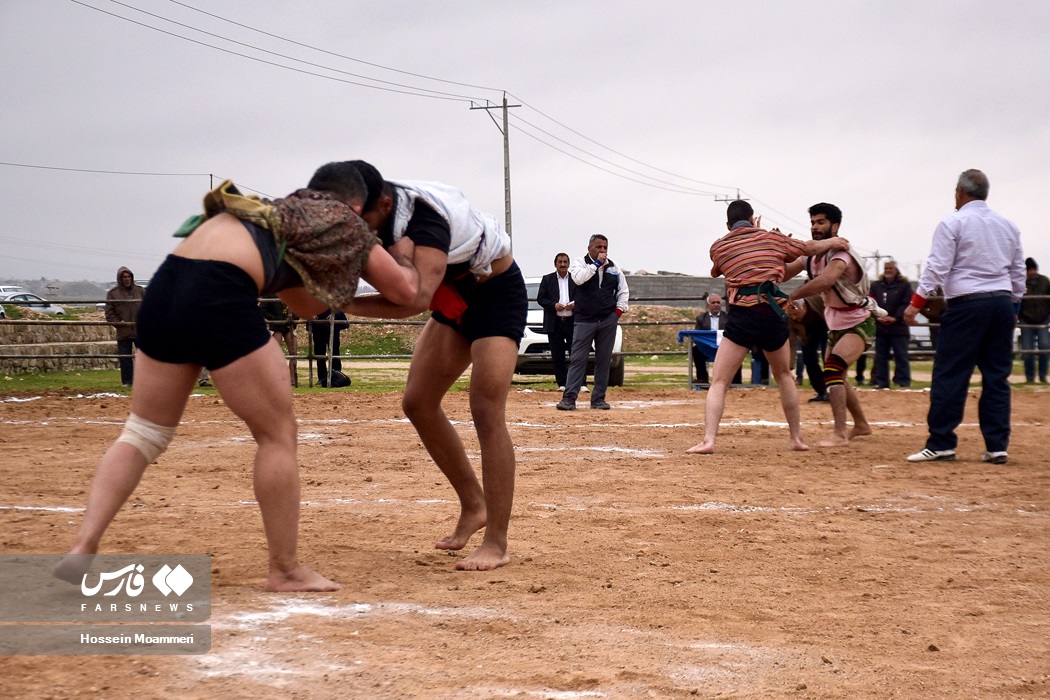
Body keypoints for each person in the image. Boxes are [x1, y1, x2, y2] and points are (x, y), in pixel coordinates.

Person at [54, 162, 420, 591]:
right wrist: (403, 251)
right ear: (355, 206)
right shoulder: (341, 218)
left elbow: (304, 307)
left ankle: (84, 544)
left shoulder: (275, 215)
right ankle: (285, 570)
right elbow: (405, 291)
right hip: (219, 291)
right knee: (277, 434)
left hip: (165, 289)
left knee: (143, 433)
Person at [333, 160, 526, 572]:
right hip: (453, 293)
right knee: (418, 402)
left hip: (495, 293)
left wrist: (340, 302)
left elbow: (413, 300)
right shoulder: (370, 206)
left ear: (384, 205)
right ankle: (474, 505)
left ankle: (497, 542)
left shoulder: (425, 222)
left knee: (486, 411)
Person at [686, 199, 849, 455]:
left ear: (728, 225)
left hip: (742, 316)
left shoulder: (719, 246)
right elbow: (807, 248)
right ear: (752, 219)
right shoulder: (772, 238)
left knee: (719, 381)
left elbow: (716, 271)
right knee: (783, 375)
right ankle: (796, 438)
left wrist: (749, 243)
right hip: (771, 313)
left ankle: (709, 440)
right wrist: (834, 242)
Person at [905, 169, 1025, 464]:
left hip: (966, 304)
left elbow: (937, 267)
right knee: (997, 376)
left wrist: (916, 303)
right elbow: (1018, 271)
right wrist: (1014, 308)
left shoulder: (953, 222)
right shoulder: (1008, 225)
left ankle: (941, 442)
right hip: (1001, 302)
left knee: (951, 373)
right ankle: (997, 446)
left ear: (959, 192)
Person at [786, 202, 883, 448]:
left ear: (835, 226)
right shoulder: (811, 257)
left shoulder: (841, 254)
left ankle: (840, 434)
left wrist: (792, 295)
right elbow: (785, 271)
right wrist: (771, 249)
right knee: (837, 374)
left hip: (859, 319)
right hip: (835, 322)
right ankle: (861, 425)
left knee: (832, 370)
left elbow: (826, 281)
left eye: (821, 222)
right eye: (813, 222)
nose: (815, 227)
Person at [556, 234, 629, 411]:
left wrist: (617, 313)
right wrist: (595, 265)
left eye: (605, 247)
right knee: (578, 359)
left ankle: (598, 398)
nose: (602, 250)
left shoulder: (614, 268)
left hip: (607, 320)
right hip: (584, 320)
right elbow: (578, 279)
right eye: (598, 247)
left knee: (603, 360)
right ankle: (569, 398)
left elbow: (623, 291)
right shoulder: (579, 263)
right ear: (590, 248)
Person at [870, 260, 914, 389]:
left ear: (896, 270)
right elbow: (871, 301)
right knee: (881, 357)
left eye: (890, 268)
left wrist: (896, 317)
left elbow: (906, 303)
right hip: (881, 327)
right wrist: (878, 317)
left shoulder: (904, 285)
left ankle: (904, 382)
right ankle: (882, 382)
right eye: (886, 268)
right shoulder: (876, 285)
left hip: (898, 327)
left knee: (901, 356)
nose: (888, 270)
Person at [536, 252, 577, 390]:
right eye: (560, 262)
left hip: (573, 322)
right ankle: (562, 383)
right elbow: (541, 299)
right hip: (555, 323)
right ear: (555, 264)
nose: (563, 264)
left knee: (576, 354)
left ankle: (580, 383)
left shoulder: (575, 279)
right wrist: (553, 305)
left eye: (565, 262)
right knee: (557, 355)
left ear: (569, 264)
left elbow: (583, 296)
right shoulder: (547, 279)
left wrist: (575, 304)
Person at [104, 267, 145, 387]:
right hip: (123, 331)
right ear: (120, 279)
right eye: (124, 277)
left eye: (128, 277)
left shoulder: (140, 291)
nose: (127, 279)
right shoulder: (113, 294)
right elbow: (109, 313)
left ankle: (144, 381)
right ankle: (127, 382)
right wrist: (120, 324)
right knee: (125, 358)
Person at [1019, 257, 1050, 383]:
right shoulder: (1021, 283)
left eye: (1033, 269)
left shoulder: (1045, 281)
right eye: (1029, 270)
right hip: (1026, 320)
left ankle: (1043, 376)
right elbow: (1017, 299)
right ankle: (1030, 377)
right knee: (1027, 350)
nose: (1032, 272)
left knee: (1045, 346)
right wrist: (1019, 316)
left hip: (1043, 319)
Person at [691, 293, 731, 385]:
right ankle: (702, 379)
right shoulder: (700, 318)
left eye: (718, 302)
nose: (716, 305)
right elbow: (697, 335)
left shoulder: (728, 317)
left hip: (724, 346)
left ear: (721, 304)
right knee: (696, 350)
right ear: (708, 305)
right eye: (713, 302)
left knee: (736, 351)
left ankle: (735, 381)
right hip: (706, 347)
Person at [260, 298, 299, 386]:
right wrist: (274, 319)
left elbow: (298, 307)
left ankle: (293, 379)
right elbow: (262, 309)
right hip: (276, 327)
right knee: (275, 354)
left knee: (293, 352)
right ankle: (276, 379)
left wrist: (293, 318)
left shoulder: (290, 293)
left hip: (289, 326)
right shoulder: (270, 294)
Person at [310, 310, 350, 387]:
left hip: (332, 321)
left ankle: (336, 375)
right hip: (317, 322)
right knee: (319, 351)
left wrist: (335, 313)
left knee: (334, 350)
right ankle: (322, 377)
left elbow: (340, 304)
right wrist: (311, 313)